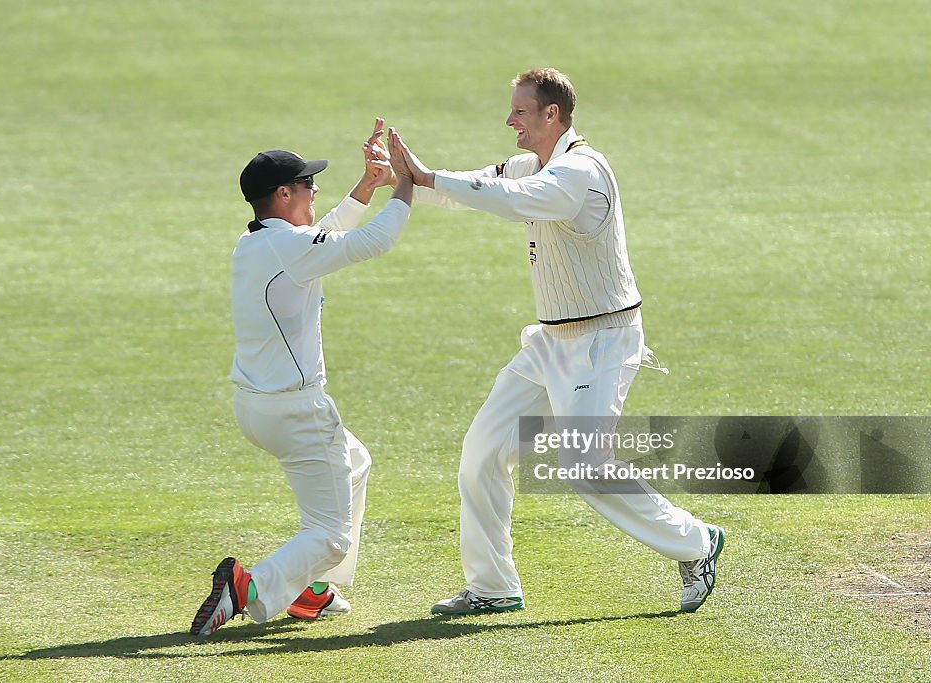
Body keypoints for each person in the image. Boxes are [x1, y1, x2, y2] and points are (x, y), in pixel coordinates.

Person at [385, 68, 725, 615]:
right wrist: (406, 178)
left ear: (552, 115)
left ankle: (697, 543)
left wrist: (426, 178)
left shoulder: (579, 173)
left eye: (520, 111)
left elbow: (514, 200)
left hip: (601, 340)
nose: (510, 119)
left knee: (585, 466)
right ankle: (493, 586)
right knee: (481, 454)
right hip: (549, 341)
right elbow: (477, 190)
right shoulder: (531, 164)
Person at [190, 119, 414, 636]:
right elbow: (372, 242)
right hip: (295, 411)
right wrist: (406, 181)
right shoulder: (288, 247)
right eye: (309, 184)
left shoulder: (260, 243)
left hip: (257, 407)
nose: (316, 190)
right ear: (285, 193)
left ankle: (312, 591)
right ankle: (251, 587)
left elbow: (323, 237)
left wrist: (367, 186)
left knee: (356, 461)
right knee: (332, 535)